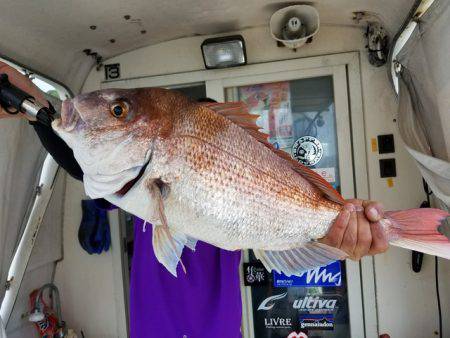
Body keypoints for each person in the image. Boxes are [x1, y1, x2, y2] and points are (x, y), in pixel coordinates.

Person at [0, 61, 388, 337]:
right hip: (154, 329)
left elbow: (289, 224)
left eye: (119, 112)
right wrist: (33, 107)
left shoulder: (204, 178)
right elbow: (75, 163)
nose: (198, 154)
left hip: (217, 331)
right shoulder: (132, 187)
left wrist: (342, 233)